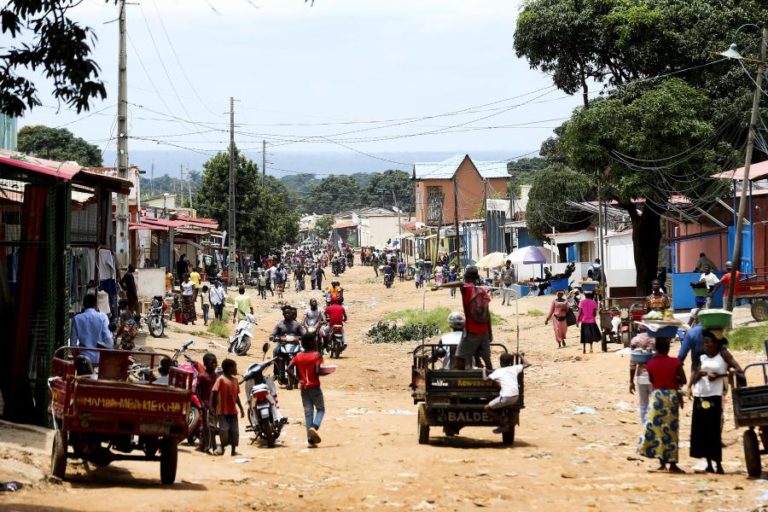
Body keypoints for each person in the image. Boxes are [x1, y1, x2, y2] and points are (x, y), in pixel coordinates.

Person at [688, 331, 738, 474]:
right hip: (700, 395)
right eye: (704, 342)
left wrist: (719, 375)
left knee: (714, 431)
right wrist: (690, 387)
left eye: (708, 342)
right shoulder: (701, 356)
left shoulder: (723, 355)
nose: (706, 345)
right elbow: (696, 372)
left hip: (715, 396)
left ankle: (718, 464)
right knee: (702, 431)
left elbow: (737, 370)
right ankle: (709, 463)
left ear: (716, 343)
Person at [638, 337, 686, 473]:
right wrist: (674, 380)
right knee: (672, 430)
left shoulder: (650, 364)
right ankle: (673, 464)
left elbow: (652, 380)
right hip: (671, 397)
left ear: (656, 348)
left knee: (658, 429)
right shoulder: (675, 362)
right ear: (668, 348)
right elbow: (683, 379)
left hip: (657, 397)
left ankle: (661, 462)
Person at [433, 265, 493, 370]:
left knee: (458, 359)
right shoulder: (482, 291)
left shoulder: (466, 288)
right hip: (484, 332)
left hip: (471, 332)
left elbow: (459, 283)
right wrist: (490, 333)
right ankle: (492, 378)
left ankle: (454, 383)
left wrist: (440, 286)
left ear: (466, 277)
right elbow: (487, 315)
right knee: (487, 361)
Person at [288, 333, 326, 447]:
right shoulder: (317, 355)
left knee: (308, 412)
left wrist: (298, 380)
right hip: (314, 386)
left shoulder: (298, 355)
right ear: (311, 342)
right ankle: (314, 427)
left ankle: (310, 441)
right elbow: (317, 371)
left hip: (303, 387)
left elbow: (288, 369)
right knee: (320, 409)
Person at [483, 352, 530, 433]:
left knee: (486, 408)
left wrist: (483, 370)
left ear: (501, 362)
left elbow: (485, 379)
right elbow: (527, 364)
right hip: (515, 397)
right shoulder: (514, 368)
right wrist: (519, 355)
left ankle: (503, 425)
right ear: (511, 362)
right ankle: (505, 420)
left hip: (506, 398)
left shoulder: (499, 371)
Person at [210, 358, 244, 456]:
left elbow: (236, 396)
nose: (236, 369)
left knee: (234, 431)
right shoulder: (221, 379)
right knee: (224, 430)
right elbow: (214, 392)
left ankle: (233, 450)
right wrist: (212, 406)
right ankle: (223, 447)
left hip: (233, 411)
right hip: (222, 411)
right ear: (230, 368)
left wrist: (241, 408)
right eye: (235, 367)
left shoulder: (235, 380)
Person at [70, 293, 114, 364]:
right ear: (95, 305)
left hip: (83, 359)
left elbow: (73, 343)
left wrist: (76, 356)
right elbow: (108, 339)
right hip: (100, 358)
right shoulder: (103, 317)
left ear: (83, 305)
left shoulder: (77, 319)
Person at [629, 327, 655, 423]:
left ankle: (646, 427)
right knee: (654, 403)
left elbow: (632, 363)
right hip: (654, 375)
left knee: (643, 404)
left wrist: (631, 381)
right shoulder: (654, 339)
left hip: (640, 375)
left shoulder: (635, 340)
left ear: (639, 329)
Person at [195, 353, 218, 454]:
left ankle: (203, 444)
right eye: (211, 362)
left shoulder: (217, 377)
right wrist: (201, 403)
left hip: (215, 406)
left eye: (215, 362)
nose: (214, 364)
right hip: (206, 405)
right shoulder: (202, 376)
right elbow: (197, 390)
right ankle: (208, 447)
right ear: (205, 364)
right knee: (208, 426)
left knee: (210, 426)